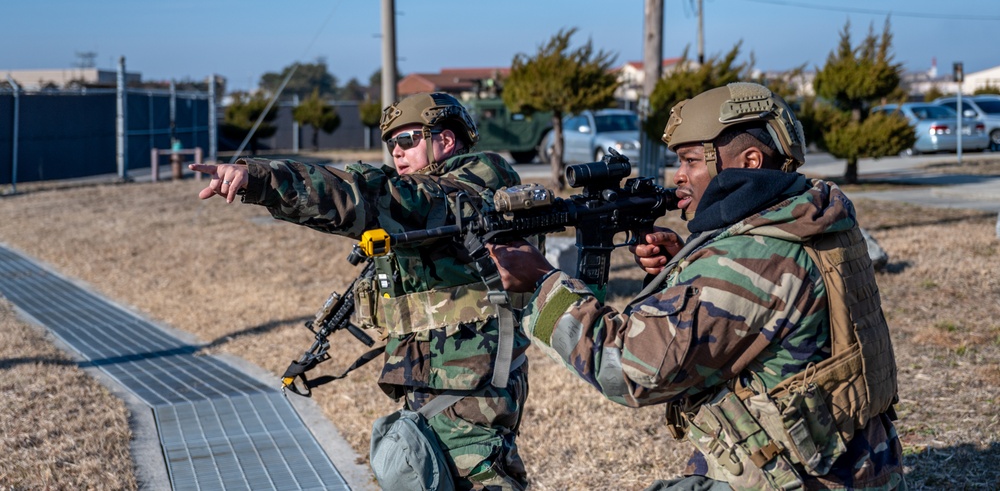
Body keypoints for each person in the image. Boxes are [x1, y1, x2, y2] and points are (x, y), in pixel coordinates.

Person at [488, 82, 905, 490]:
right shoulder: (811, 215)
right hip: (860, 463)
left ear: (751, 162)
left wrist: (543, 284)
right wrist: (686, 270)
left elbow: (631, 370)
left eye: (690, 161)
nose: (678, 176)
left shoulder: (749, 261)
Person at [191, 92, 530, 490]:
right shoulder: (428, 203)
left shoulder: (470, 185)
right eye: (391, 144)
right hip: (439, 378)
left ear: (447, 140)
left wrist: (264, 179)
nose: (397, 153)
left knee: (481, 479)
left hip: (471, 387)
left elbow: (369, 197)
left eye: (407, 140)